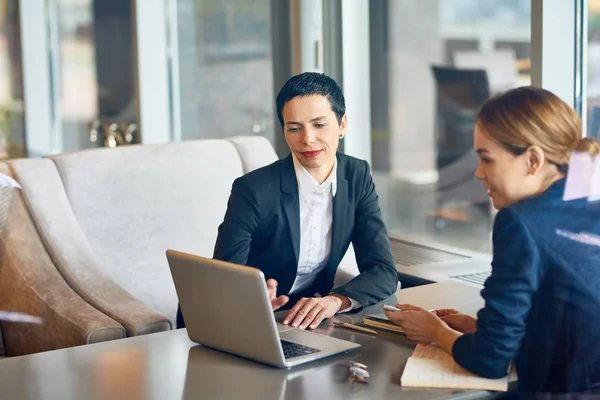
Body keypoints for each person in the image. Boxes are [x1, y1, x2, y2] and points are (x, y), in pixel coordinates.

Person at [384, 86, 600, 395]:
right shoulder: (589, 206)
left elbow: (490, 361)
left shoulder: (520, 222)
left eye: (487, 159)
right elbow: (569, 322)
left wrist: (434, 330)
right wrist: (480, 331)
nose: (478, 173)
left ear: (533, 161)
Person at [177, 72, 398, 331]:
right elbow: (226, 277)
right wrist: (252, 299)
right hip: (232, 318)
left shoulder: (357, 176)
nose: (307, 139)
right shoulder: (253, 189)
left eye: (319, 124)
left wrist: (336, 301)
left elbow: (383, 271)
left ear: (342, 125)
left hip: (304, 319)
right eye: (294, 128)